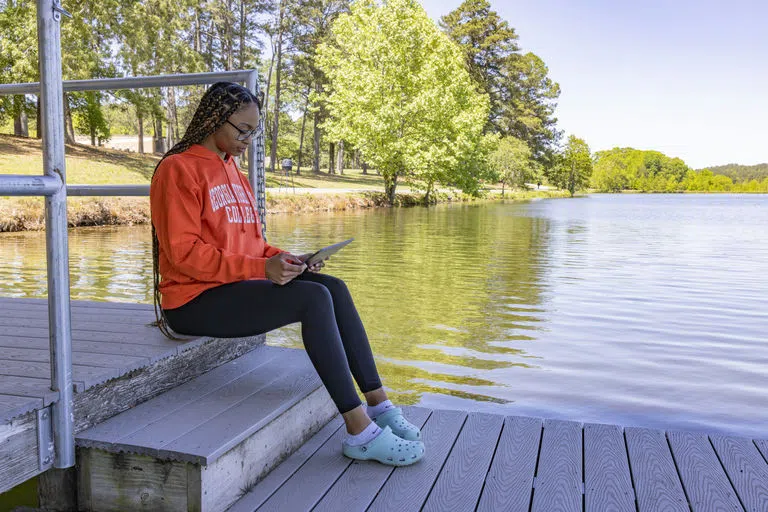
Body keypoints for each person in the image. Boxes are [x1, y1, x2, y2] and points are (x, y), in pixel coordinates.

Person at [149, 82, 424, 467]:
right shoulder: (178, 170)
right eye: (241, 130)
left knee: (331, 286)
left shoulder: (234, 172)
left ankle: (380, 406)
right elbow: (183, 255)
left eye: (254, 131)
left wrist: (290, 260)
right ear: (214, 120)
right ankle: (360, 431)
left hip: (234, 286)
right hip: (192, 301)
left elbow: (254, 246)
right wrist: (261, 269)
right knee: (312, 299)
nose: (248, 139)